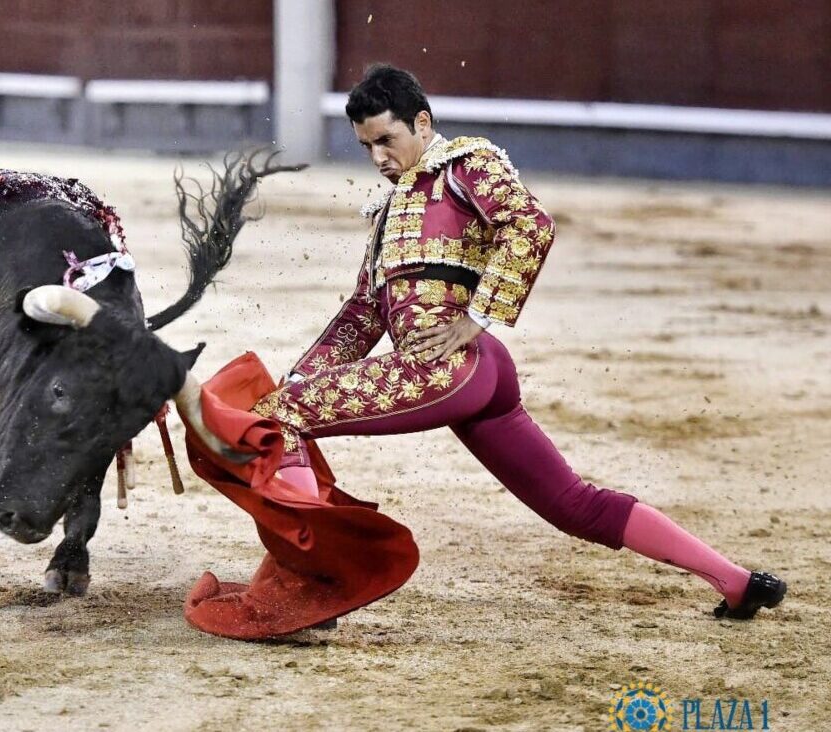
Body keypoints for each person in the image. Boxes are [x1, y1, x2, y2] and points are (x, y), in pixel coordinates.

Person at [250, 64, 786, 620]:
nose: (378, 158)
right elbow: (363, 312)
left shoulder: (465, 165)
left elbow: (530, 224)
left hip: (451, 366)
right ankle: (738, 582)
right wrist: (304, 375)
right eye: (366, 147)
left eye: (387, 139)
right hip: (477, 377)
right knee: (573, 504)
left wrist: (477, 319)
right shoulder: (388, 213)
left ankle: (317, 583)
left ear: (423, 123)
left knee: (274, 418)